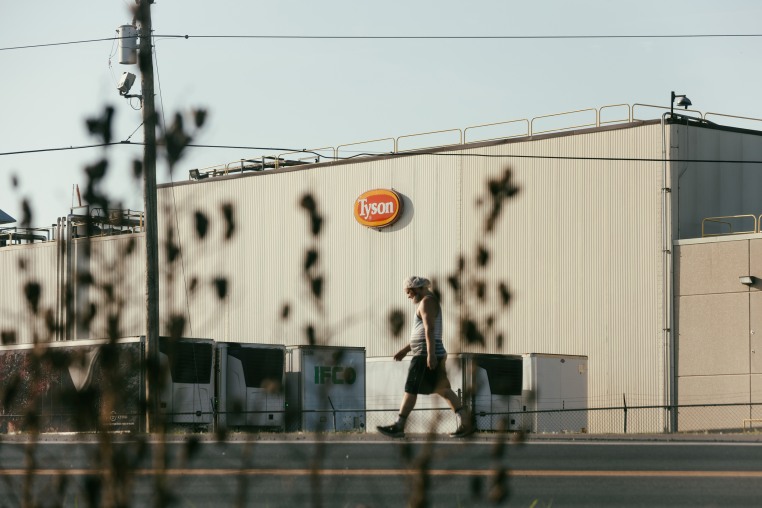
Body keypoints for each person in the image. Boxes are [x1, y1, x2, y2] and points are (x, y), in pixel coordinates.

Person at [377, 276, 474, 438]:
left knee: (411, 389)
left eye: (409, 292)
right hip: (427, 352)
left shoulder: (427, 302)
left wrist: (430, 355)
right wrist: (406, 349)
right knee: (443, 389)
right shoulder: (428, 301)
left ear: (417, 288)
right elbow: (422, 333)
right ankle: (466, 422)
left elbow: (429, 329)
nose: (408, 296)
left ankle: (399, 425)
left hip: (424, 355)